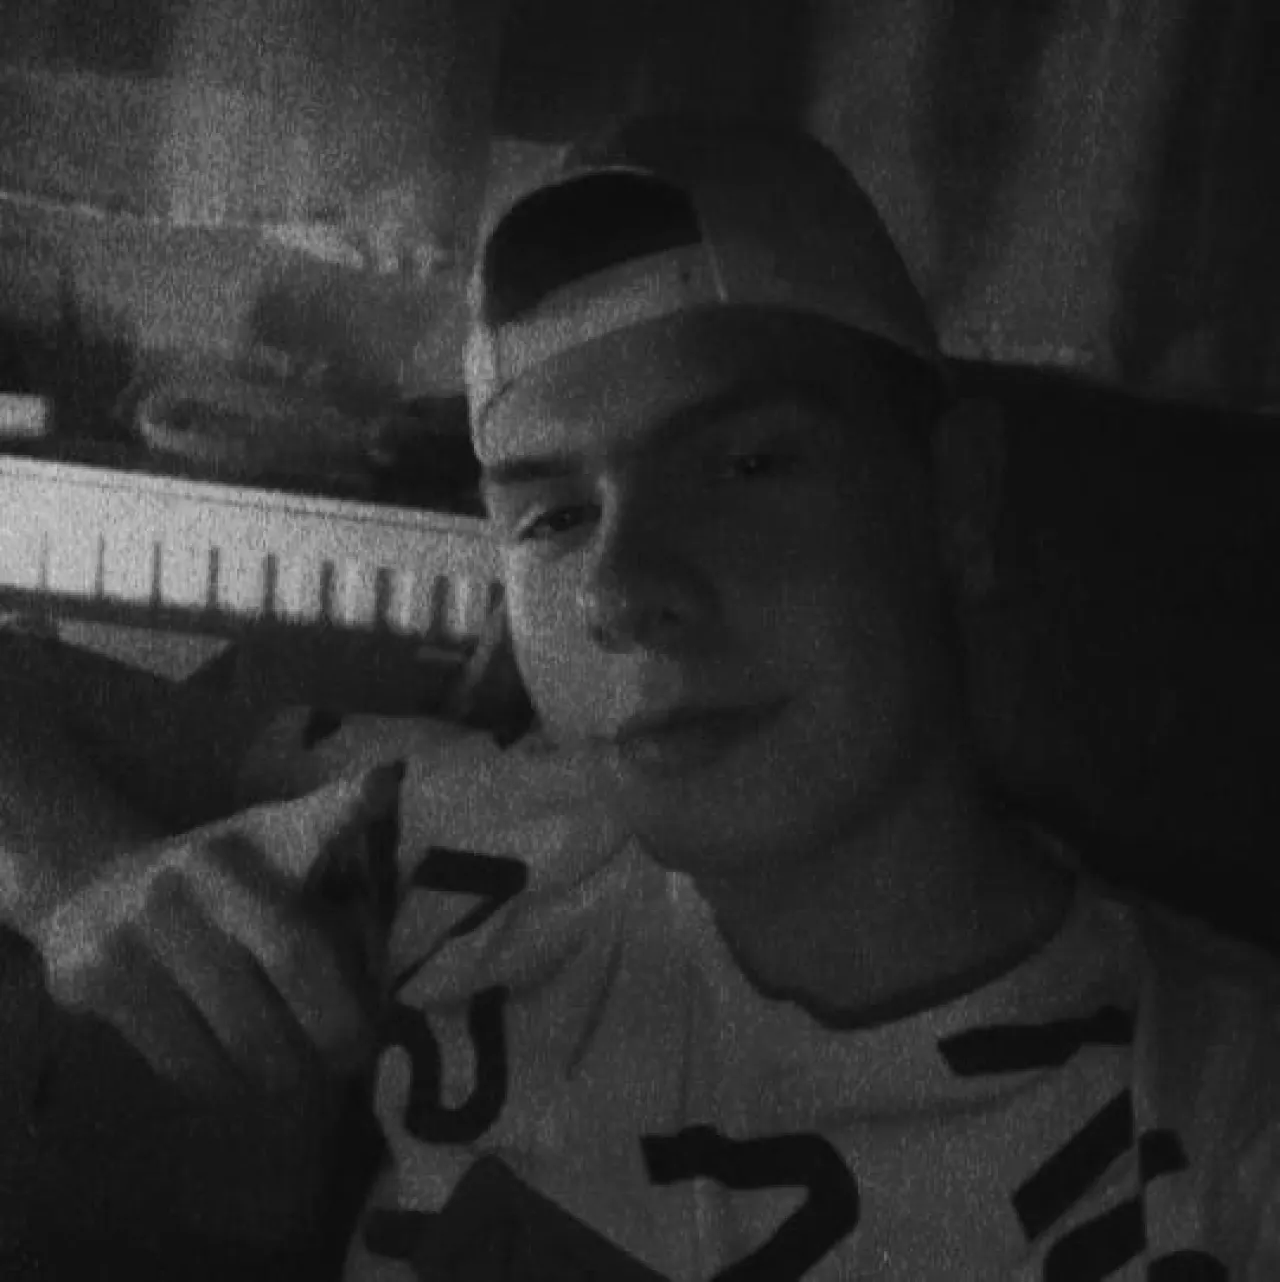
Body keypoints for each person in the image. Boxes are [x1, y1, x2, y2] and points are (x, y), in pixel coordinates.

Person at [2, 112, 1278, 1279]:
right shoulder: (466, 846)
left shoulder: (1219, 1135)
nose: (620, 588)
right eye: (553, 516)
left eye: (744, 464)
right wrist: (74, 870)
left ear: (954, 500)